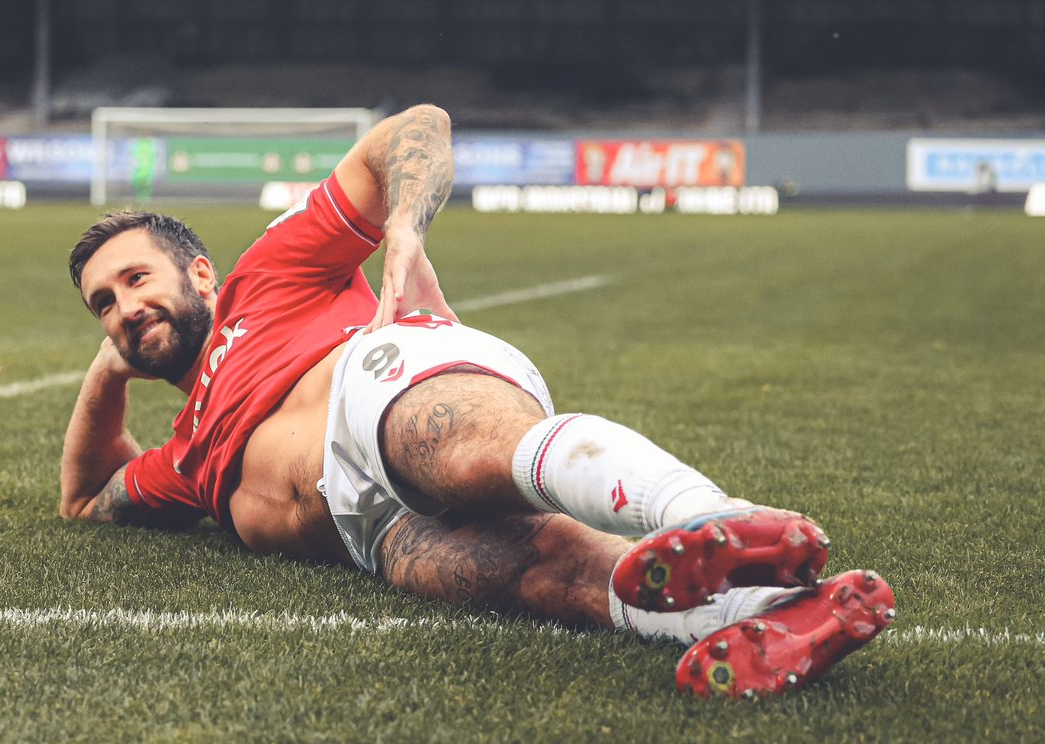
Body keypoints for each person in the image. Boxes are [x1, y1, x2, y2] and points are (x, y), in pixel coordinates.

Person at [60, 104, 895, 699]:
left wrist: (405, 226)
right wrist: (107, 371)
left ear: (198, 274)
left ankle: (712, 513)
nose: (126, 306)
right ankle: (773, 612)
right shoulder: (183, 455)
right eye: (104, 303)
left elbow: (415, 127)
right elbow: (84, 501)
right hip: (373, 533)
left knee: (456, 457)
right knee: (548, 574)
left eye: (136, 280)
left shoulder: (264, 277)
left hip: (385, 383)